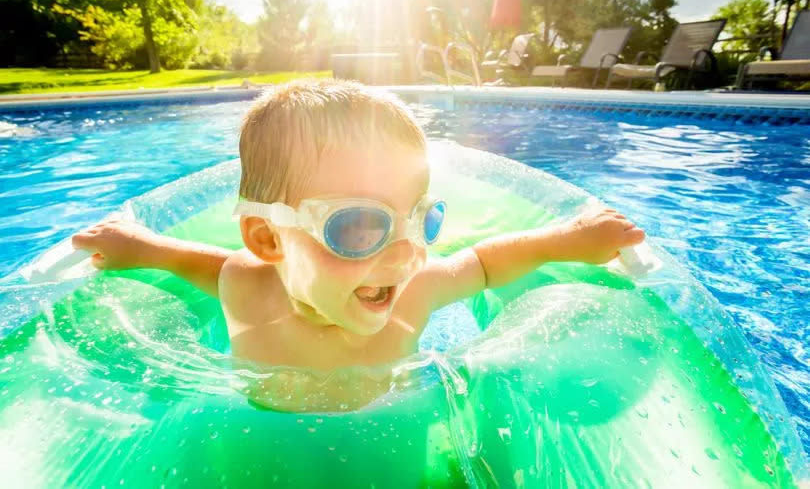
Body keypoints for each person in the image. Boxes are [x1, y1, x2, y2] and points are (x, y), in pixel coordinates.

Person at [72, 79, 645, 378]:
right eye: (360, 227)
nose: (404, 255)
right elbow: (189, 259)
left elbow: (484, 263)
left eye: (423, 219)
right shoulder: (245, 284)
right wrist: (137, 246)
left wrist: (570, 239)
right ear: (268, 239)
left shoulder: (413, 295)